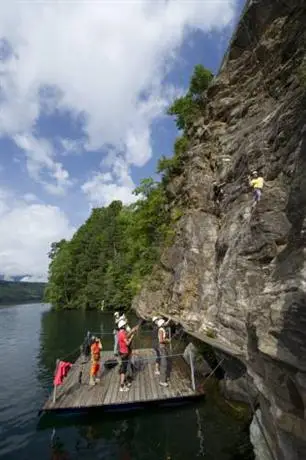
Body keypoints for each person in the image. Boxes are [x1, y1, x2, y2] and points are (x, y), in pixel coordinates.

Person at [117, 319, 138, 392]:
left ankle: (125, 382)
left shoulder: (120, 332)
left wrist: (131, 331)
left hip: (121, 352)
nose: (126, 326)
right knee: (124, 370)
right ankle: (122, 386)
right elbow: (127, 343)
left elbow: (125, 336)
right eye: (125, 325)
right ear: (123, 326)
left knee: (124, 368)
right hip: (124, 353)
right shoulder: (123, 334)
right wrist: (132, 337)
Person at [157, 318, 170, 387]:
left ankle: (164, 378)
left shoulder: (161, 329)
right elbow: (161, 340)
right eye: (164, 323)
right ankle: (162, 381)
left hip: (162, 347)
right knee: (164, 364)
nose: (165, 323)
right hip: (162, 347)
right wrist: (167, 340)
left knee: (164, 362)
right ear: (162, 324)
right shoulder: (161, 330)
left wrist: (169, 320)